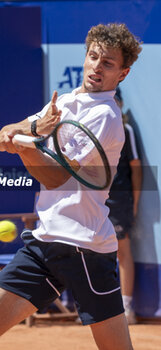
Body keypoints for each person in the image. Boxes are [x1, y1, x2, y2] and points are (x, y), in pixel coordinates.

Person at [0, 23, 142, 350]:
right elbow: (0, 139)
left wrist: (25, 141)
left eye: (108, 63)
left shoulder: (106, 116)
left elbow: (55, 176)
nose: (97, 66)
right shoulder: (66, 102)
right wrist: (30, 131)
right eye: (93, 56)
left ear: (122, 73)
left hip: (84, 249)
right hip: (44, 244)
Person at [106, 88, 142, 325]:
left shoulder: (126, 131)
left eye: (115, 100)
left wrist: (135, 201)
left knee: (122, 250)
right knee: (89, 253)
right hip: (94, 201)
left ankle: (126, 307)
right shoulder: (93, 129)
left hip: (119, 201)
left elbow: (136, 168)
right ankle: (98, 309)